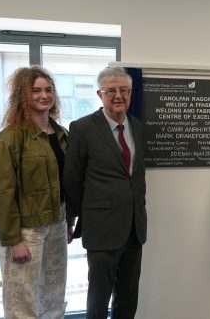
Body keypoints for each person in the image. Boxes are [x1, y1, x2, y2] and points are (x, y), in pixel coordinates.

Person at [0, 66, 73, 318]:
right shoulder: (9, 138)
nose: (43, 95)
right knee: (21, 302)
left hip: (57, 226)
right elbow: (2, 194)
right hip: (26, 232)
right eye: (35, 90)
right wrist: (14, 239)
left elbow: (65, 184)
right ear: (22, 96)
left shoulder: (61, 135)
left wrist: (69, 221)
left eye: (48, 90)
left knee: (54, 295)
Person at [64, 67, 146, 319]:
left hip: (134, 227)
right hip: (101, 228)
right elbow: (73, 178)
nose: (118, 96)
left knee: (128, 295)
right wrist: (73, 218)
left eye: (124, 90)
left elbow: (136, 178)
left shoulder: (139, 128)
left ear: (131, 94)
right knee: (99, 298)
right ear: (100, 94)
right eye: (111, 91)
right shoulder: (82, 128)